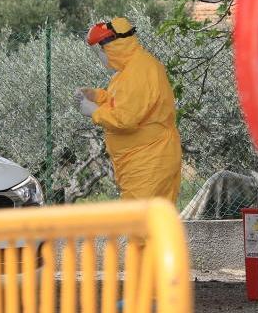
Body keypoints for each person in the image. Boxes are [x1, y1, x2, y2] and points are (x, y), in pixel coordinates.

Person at [77, 17, 182, 204]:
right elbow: (122, 101)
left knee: (142, 227)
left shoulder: (139, 71)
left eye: (102, 49)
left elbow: (126, 119)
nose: (101, 55)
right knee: (152, 227)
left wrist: (94, 111)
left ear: (115, 46)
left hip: (149, 161)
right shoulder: (130, 70)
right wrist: (97, 96)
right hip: (145, 160)